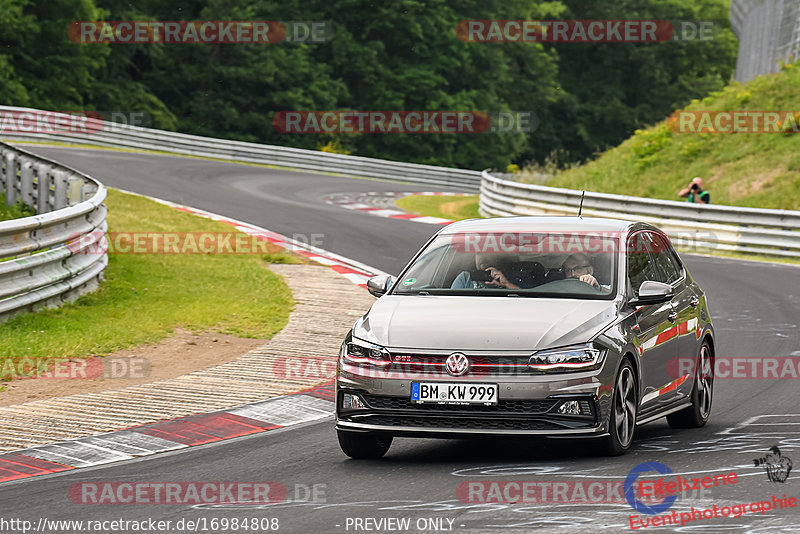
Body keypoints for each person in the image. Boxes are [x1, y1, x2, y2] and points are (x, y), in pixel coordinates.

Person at [451, 253, 521, 289]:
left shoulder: (514, 278)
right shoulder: (465, 279)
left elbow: (525, 302)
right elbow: (452, 304)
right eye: (478, 253)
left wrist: (507, 284)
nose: (482, 257)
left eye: (486, 253)